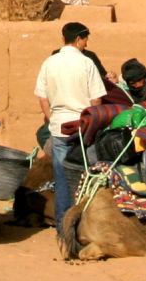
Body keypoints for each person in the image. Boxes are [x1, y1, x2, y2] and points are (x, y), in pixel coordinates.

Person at [35, 21, 106, 226]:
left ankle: (62, 223)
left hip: (59, 128)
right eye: (85, 40)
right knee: (85, 174)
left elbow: (42, 98)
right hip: (82, 128)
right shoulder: (86, 63)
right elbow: (96, 100)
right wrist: (93, 122)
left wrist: (52, 119)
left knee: (62, 176)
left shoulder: (49, 63)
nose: (86, 44)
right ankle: (81, 222)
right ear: (78, 39)